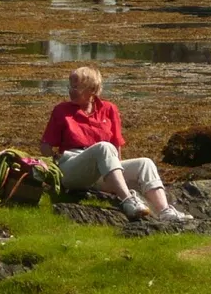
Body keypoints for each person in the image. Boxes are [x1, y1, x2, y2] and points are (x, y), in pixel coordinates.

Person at [40, 65, 190, 221]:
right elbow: (45, 146)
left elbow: (116, 144)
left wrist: (115, 173)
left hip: (103, 167)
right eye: (70, 86)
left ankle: (164, 211)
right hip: (72, 167)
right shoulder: (61, 110)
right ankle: (128, 201)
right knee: (104, 147)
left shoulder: (109, 109)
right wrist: (53, 165)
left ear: (92, 89)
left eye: (76, 87)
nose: (71, 90)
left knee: (145, 163)